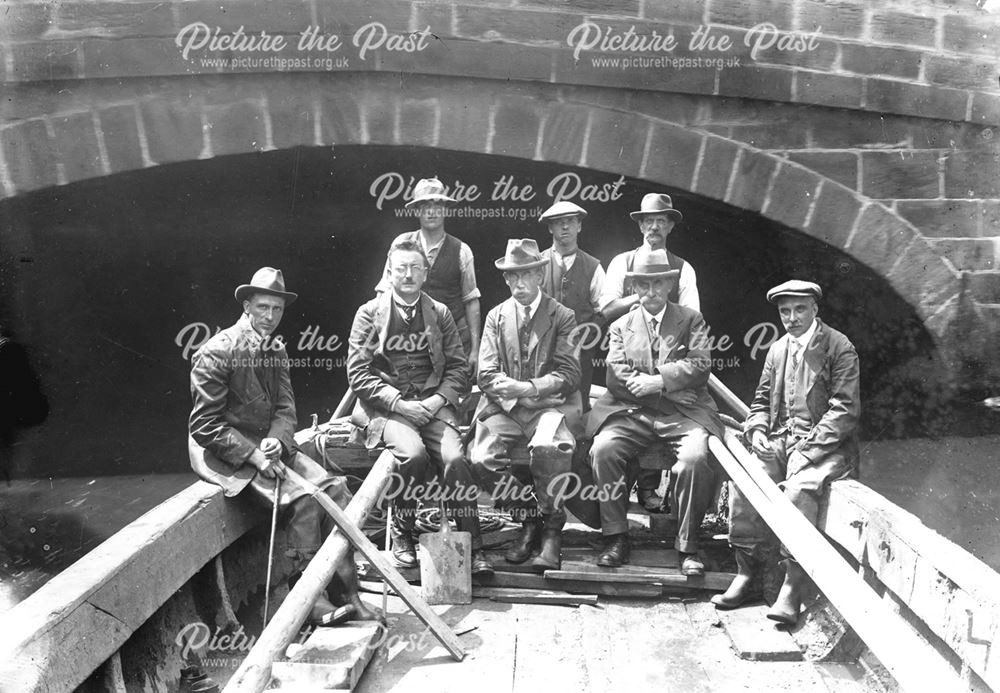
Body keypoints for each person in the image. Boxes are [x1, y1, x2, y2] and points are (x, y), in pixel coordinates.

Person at [188, 267, 377, 625]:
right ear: (247, 305)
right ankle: (310, 600)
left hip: (270, 447)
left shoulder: (276, 349)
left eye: (277, 310)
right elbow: (204, 426)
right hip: (228, 455)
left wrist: (277, 437)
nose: (270, 317)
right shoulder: (216, 352)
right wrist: (256, 454)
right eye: (263, 308)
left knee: (336, 490)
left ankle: (347, 593)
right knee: (306, 499)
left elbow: (286, 409)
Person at [712, 280, 860, 626]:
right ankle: (746, 573)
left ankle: (792, 586)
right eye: (784, 312)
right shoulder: (778, 349)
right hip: (782, 439)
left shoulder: (839, 347)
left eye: (799, 310)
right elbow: (761, 401)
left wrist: (807, 451)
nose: (791, 318)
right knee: (746, 478)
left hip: (828, 446)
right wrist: (759, 428)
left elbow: (845, 411)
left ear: (814, 309)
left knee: (800, 489)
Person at [347, 240, 492, 575]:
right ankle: (403, 533)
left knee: (455, 459)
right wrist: (399, 403)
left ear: (426, 273)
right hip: (387, 408)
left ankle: (474, 543)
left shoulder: (439, 313)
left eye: (415, 268)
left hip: (432, 406)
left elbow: (457, 367)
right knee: (412, 455)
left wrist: (437, 400)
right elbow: (358, 374)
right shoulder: (369, 313)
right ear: (389, 272)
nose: (408, 275)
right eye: (401, 268)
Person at [587, 249, 723, 576]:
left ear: (669, 286)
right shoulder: (621, 325)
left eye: (657, 284)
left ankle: (688, 546)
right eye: (643, 285)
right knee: (603, 449)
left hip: (682, 415)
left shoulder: (691, 320)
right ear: (633, 288)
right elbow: (616, 374)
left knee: (693, 459)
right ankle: (616, 536)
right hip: (633, 411)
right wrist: (663, 384)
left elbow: (701, 364)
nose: (650, 292)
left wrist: (658, 380)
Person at [468, 239, 581, 572]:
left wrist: (528, 387)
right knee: (481, 459)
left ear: (540, 276)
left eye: (526, 275)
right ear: (505, 280)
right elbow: (486, 373)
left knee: (549, 446)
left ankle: (551, 531)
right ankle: (528, 515)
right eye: (512, 276)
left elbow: (570, 373)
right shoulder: (496, 316)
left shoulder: (563, 316)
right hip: (504, 409)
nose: (519, 283)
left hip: (547, 411)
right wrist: (519, 394)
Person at [600, 193, 699, 512]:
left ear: (670, 226)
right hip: (629, 346)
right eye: (649, 220)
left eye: (661, 220)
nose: (654, 226)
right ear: (640, 224)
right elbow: (607, 310)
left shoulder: (684, 268)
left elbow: (689, 317)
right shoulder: (621, 262)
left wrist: (662, 308)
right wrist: (644, 295)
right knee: (616, 426)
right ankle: (620, 506)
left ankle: (648, 489)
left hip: (671, 350)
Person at [375, 177, 482, 372]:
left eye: (437, 204)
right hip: (411, 341)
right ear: (417, 210)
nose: (432, 211)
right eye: (425, 205)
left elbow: (471, 301)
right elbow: (384, 291)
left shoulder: (462, 250)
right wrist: (380, 338)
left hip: (453, 340)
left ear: (446, 209)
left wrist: (475, 349)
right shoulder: (401, 244)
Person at [538, 200, 606, 411]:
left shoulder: (593, 267)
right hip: (543, 353)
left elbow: (602, 311)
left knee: (577, 411)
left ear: (579, 226)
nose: (565, 227)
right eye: (559, 222)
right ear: (550, 227)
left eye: (570, 221)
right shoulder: (537, 264)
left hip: (580, 355)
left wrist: (585, 338)